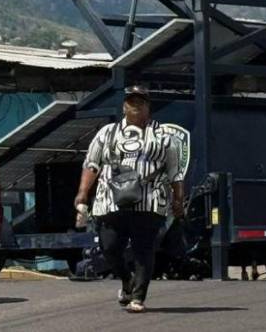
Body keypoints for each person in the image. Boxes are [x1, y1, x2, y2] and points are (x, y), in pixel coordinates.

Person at [73, 85, 185, 314]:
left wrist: (178, 199)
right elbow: (92, 164)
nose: (135, 105)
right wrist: (83, 192)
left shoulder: (164, 137)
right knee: (110, 247)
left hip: (150, 200)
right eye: (130, 101)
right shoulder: (107, 133)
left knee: (144, 249)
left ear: (148, 106)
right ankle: (127, 279)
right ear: (124, 106)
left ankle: (138, 297)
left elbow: (175, 172)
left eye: (140, 101)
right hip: (110, 201)